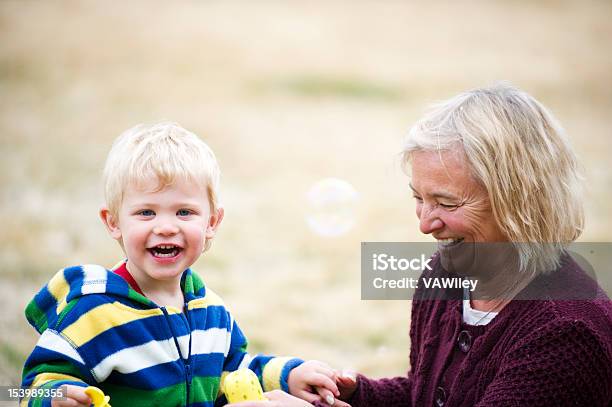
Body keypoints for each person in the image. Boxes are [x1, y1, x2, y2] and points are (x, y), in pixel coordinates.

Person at [228, 84, 612, 407]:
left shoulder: (567, 334)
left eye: (446, 203)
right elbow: (427, 393)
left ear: (521, 202)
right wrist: (357, 394)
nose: (426, 224)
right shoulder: (445, 276)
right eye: (419, 197)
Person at [20, 122, 343, 407]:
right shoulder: (93, 311)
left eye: (184, 212)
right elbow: (21, 391)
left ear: (212, 222)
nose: (165, 227)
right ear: (113, 222)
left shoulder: (212, 313)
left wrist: (288, 376)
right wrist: (56, 395)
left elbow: (235, 372)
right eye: (146, 212)